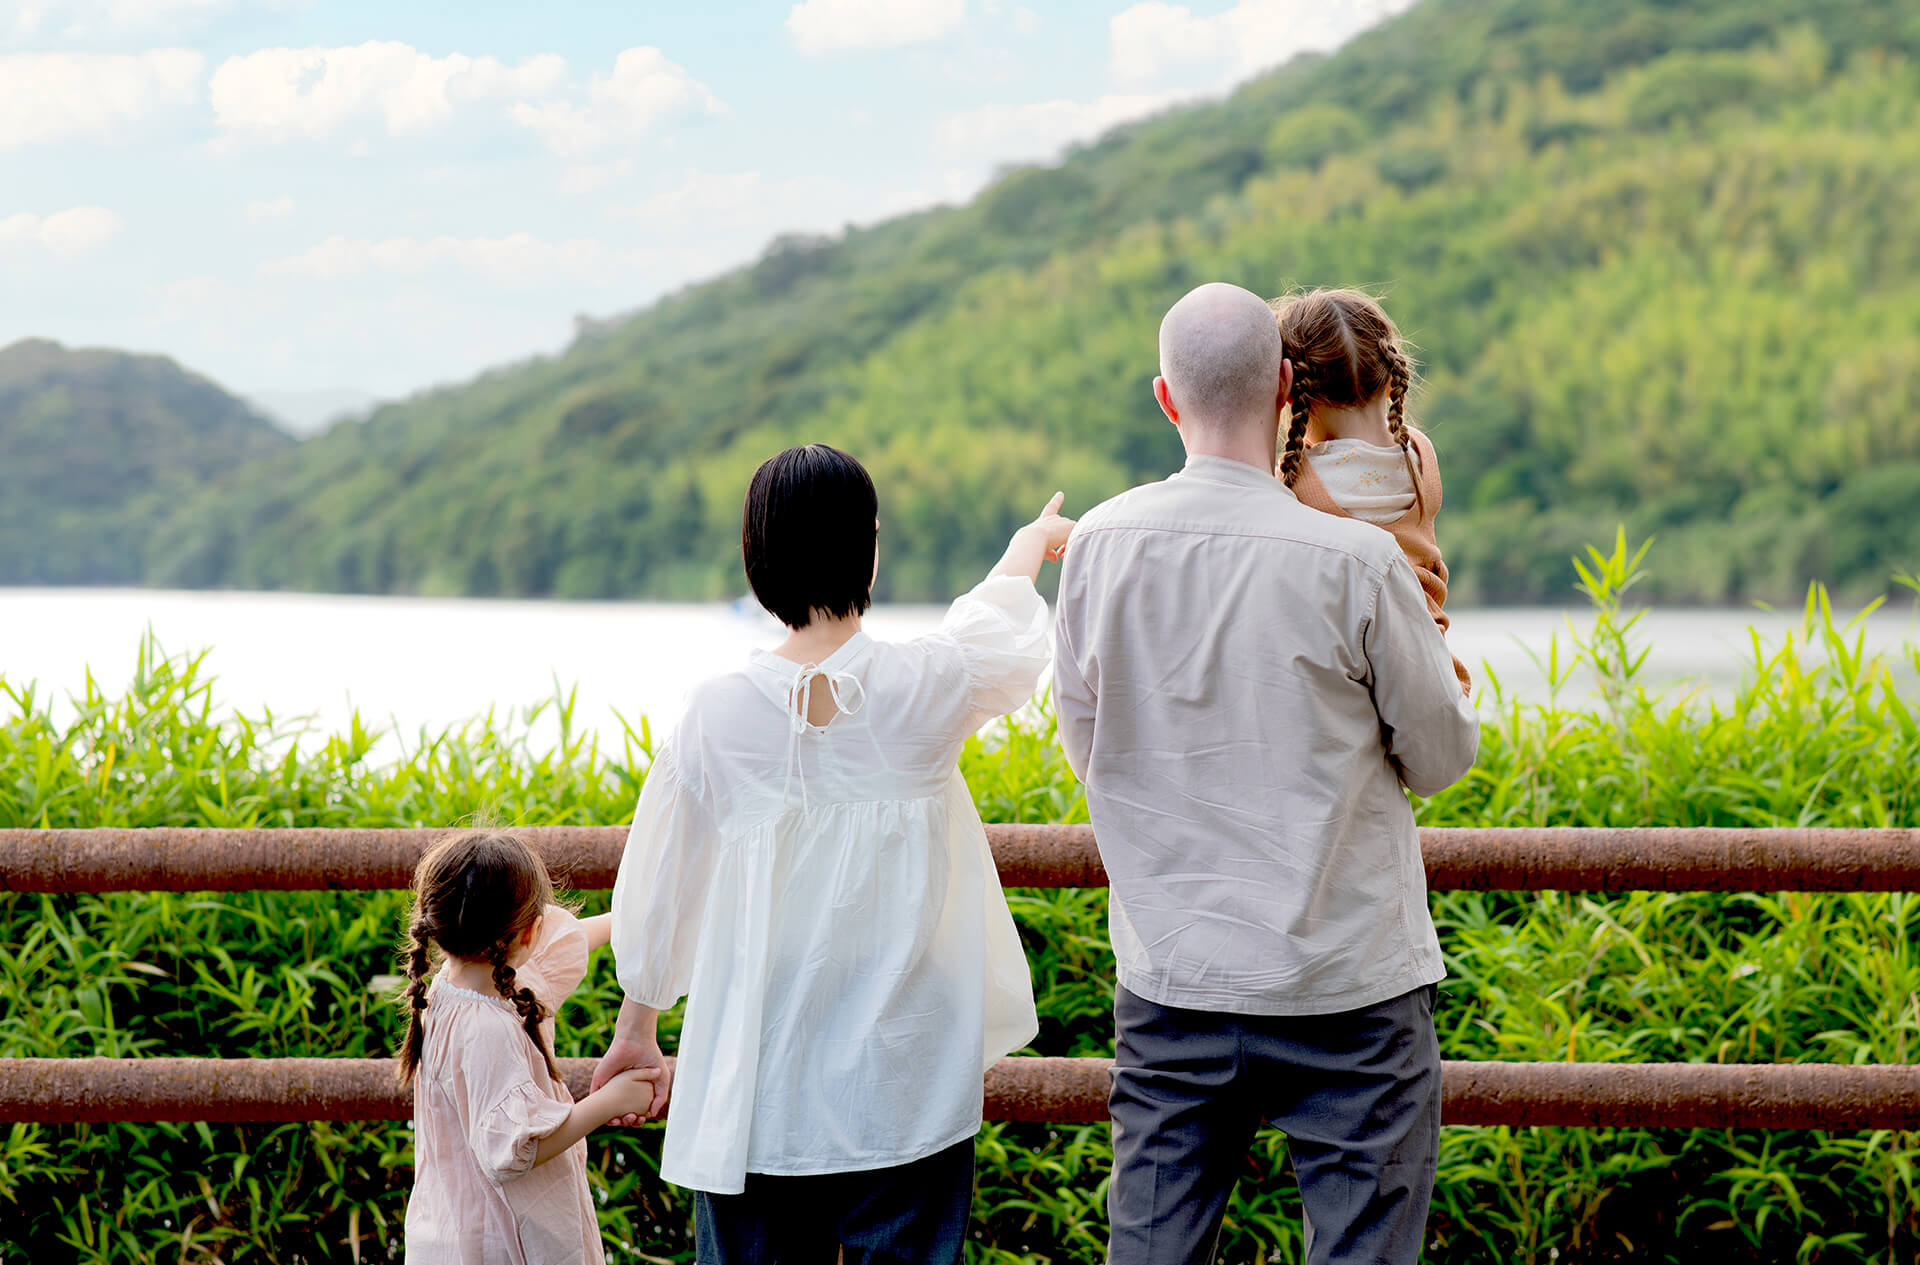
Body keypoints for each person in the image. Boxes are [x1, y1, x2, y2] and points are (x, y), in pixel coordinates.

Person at [1051, 283, 1479, 1265]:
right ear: (1287, 386)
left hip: (1174, 982)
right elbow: (1444, 757)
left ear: (1166, 398)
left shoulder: (1098, 547)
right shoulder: (1361, 562)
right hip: (1351, 989)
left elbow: (1090, 751)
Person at [592, 443, 1074, 1265]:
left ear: (756, 555)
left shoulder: (713, 716)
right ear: (871, 547)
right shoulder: (927, 686)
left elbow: (661, 887)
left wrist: (637, 1025)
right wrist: (1029, 546)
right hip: (903, 1083)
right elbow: (994, 628)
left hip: (756, 1087)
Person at [398, 827, 659, 1265]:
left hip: (450, 1232)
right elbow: (515, 1149)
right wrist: (610, 1101)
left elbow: (560, 947)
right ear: (530, 931)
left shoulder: (450, 990)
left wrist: (635, 921)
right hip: (501, 1242)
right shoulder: (488, 1026)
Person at [1270, 287, 1471, 694]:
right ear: (1389, 371)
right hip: (1436, 665)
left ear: (1292, 390)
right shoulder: (1419, 453)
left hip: (1351, 674)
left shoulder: (1294, 481)